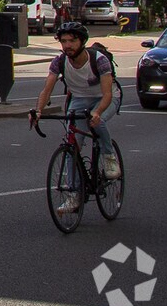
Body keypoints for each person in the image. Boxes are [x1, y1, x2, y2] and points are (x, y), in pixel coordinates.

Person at [31, 20, 121, 210]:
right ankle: (74, 195)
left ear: (82, 42)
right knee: (72, 146)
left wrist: (97, 112)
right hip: (80, 99)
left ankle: (109, 157)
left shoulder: (99, 60)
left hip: (106, 97)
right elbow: (47, 89)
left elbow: (107, 94)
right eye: (63, 41)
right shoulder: (59, 62)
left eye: (72, 41)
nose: (67, 45)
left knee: (97, 121)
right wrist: (38, 110)